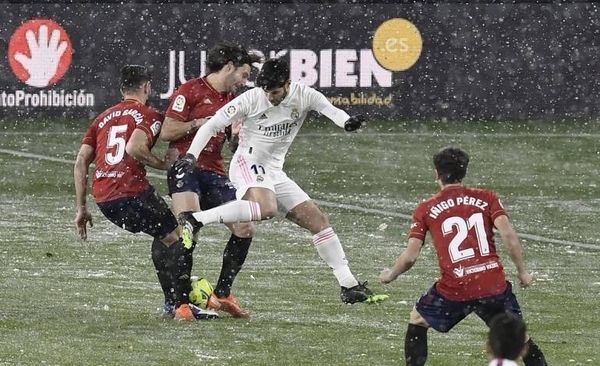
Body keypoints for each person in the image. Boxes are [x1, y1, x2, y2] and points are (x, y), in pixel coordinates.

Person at [173, 57, 379, 306]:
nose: (270, 97)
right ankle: (195, 220)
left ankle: (348, 285)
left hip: (274, 171)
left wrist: (346, 122)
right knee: (266, 208)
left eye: (275, 92)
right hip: (247, 163)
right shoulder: (251, 99)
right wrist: (192, 156)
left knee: (318, 221)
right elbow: (213, 124)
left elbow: (331, 110)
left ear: (288, 83)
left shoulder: (304, 95)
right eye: (267, 92)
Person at [379, 147, 547, 366]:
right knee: (520, 339)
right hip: (491, 285)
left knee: (418, 320)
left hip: (456, 287)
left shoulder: (426, 208)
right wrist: (522, 272)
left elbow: (411, 257)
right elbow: (508, 235)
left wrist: (390, 275)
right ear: (463, 173)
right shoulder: (487, 198)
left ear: (437, 174)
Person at [73, 65, 216, 322]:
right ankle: (181, 306)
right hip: (131, 192)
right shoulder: (148, 114)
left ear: (121, 88)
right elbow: (134, 147)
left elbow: (81, 161)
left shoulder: (102, 117)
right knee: (182, 237)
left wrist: (82, 208)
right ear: (147, 87)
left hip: (105, 199)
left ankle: (170, 303)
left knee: (164, 235)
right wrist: (162, 163)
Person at [159, 42, 262, 319]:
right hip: (186, 168)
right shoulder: (190, 90)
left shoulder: (234, 100)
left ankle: (223, 292)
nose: (245, 80)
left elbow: (229, 142)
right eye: (243, 73)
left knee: (245, 227)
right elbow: (167, 130)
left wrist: (237, 139)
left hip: (215, 173)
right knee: (187, 230)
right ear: (228, 68)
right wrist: (198, 123)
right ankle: (182, 304)